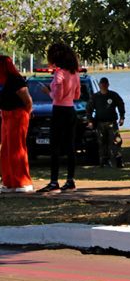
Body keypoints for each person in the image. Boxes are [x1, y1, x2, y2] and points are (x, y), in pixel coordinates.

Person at [38, 43, 82, 193]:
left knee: (55, 147)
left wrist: (47, 91)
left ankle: (54, 181)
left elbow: (57, 96)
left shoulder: (59, 74)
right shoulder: (75, 73)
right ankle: (70, 180)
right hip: (71, 110)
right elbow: (77, 95)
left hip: (59, 110)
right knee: (70, 147)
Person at [0, 55, 34, 192]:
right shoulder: (1, 81)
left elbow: (27, 100)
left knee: (17, 148)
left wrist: (28, 113)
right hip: (6, 114)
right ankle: (8, 181)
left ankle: (23, 182)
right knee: (6, 149)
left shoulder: (15, 79)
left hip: (18, 114)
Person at [88, 77, 126, 169]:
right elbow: (89, 109)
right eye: (102, 84)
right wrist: (90, 121)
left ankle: (118, 160)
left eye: (105, 84)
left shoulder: (113, 95)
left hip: (112, 123)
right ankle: (104, 161)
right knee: (102, 143)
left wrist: (122, 117)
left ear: (108, 85)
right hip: (100, 123)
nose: (103, 86)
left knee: (116, 141)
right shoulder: (95, 97)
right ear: (99, 85)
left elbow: (121, 105)